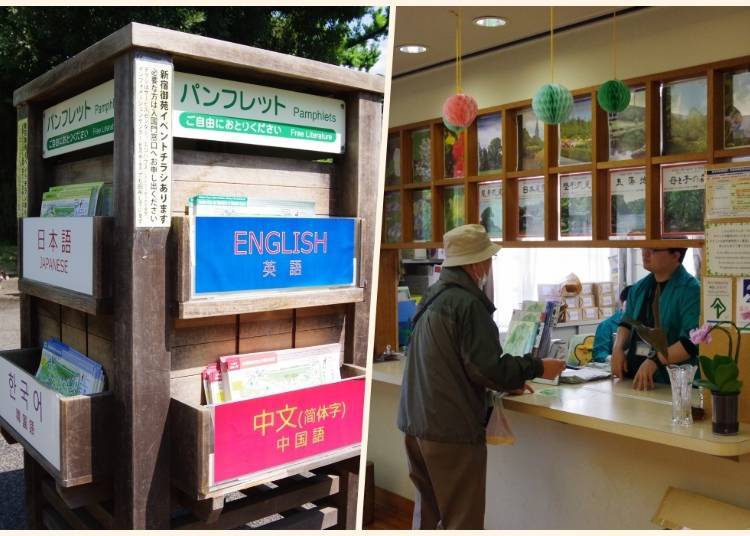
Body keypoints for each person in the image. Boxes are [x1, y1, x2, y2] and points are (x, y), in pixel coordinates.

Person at [396, 224, 566, 530]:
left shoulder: (433, 297)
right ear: (477, 264)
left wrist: (505, 383)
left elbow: (459, 365)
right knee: (463, 519)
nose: (490, 266)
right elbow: (488, 368)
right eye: (488, 259)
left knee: (428, 514)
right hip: (449, 430)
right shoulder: (468, 304)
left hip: (415, 423)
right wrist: (539, 367)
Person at [611, 248, 700, 391]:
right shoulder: (639, 287)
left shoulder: (691, 290)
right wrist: (617, 348)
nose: (645, 253)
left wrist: (655, 360)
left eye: (653, 250)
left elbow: (692, 342)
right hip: (634, 378)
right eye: (644, 248)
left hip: (670, 384)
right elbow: (626, 323)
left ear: (675, 255)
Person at [592, 285, 631, 363]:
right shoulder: (606, 325)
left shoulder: (646, 324)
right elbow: (599, 354)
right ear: (623, 304)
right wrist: (615, 359)